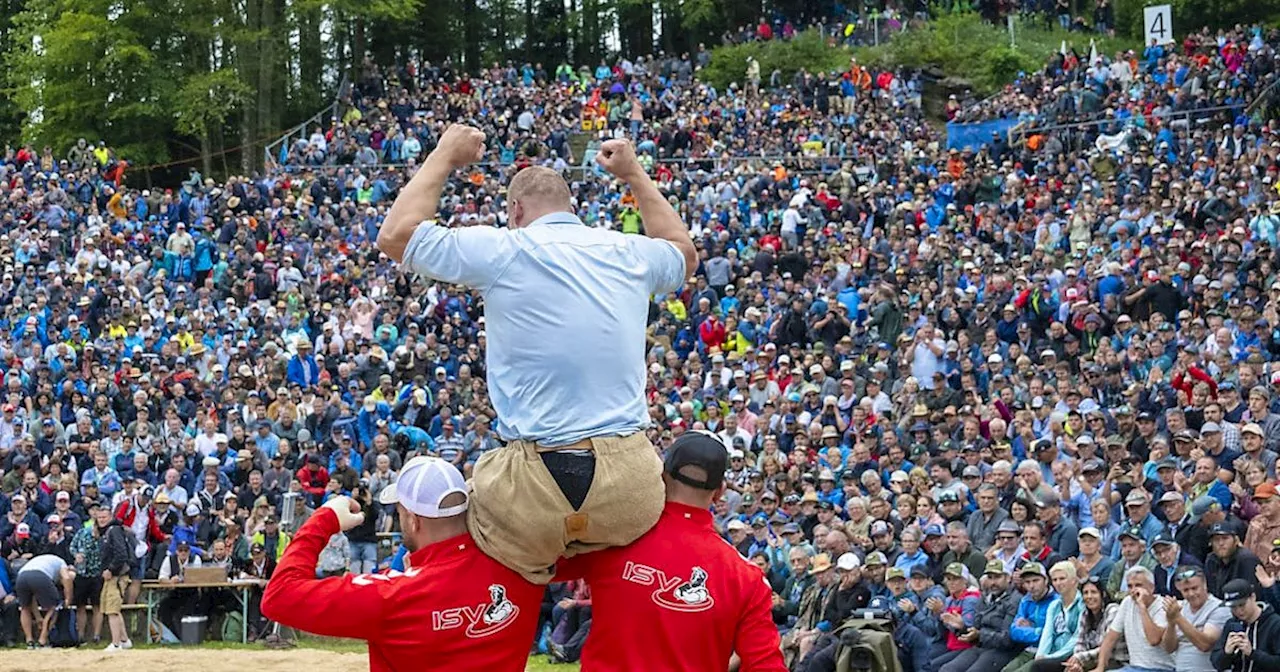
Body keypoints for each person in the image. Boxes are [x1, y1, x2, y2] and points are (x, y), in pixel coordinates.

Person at [377, 126, 696, 584]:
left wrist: (444, 154)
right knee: (617, 551)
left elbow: (396, 236)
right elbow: (684, 254)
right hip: (628, 486)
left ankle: (481, 623)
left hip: (531, 485)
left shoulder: (507, 247)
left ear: (516, 211)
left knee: (458, 531)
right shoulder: (629, 252)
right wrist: (634, 174)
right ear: (574, 211)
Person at [261, 455, 545, 671]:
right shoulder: (524, 563)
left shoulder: (392, 594)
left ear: (412, 519)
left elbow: (279, 597)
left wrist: (323, 520)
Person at [553, 431, 785, 670]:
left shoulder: (612, 536)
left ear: (661, 476)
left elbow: (536, 562)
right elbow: (766, 664)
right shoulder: (746, 576)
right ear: (720, 492)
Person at [1090, 566, 1174, 672]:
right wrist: (1100, 667)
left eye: (1138, 585)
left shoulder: (1163, 605)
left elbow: (1154, 640)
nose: (1133, 590)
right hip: (1134, 667)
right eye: (1130, 586)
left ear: (1151, 587)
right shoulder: (1127, 602)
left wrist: (1142, 607)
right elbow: (1111, 638)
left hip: (1160, 668)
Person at [1160, 566, 1228, 672]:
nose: (1191, 594)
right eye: (1186, 590)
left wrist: (1178, 618)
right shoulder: (1179, 607)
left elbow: (1205, 645)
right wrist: (1171, 622)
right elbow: (1169, 648)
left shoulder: (1219, 608)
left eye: (1195, 588)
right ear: (1179, 589)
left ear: (1205, 584)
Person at [1209, 578, 1280, 671]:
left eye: (1242, 605)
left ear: (1253, 597)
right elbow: (1217, 664)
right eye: (1233, 607)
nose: (1238, 611)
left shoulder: (1275, 623)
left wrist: (1252, 653)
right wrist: (1226, 653)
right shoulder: (1232, 624)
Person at [14, 554, 74, 649]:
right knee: (54, 607)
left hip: (21, 576)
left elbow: (32, 599)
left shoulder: (45, 560)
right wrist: (68, 600)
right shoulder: (62, 563)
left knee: (25, 608)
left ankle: (29, 641)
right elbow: (67, 578)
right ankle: (43, 640)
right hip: (40, 575)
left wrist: (38, 617)